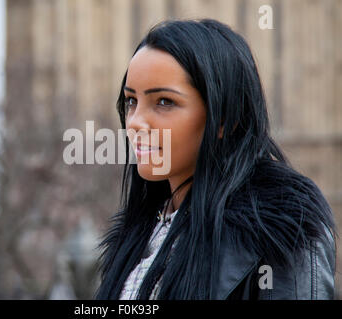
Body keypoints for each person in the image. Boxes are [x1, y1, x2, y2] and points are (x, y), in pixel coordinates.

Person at [94, 18, 338, 300]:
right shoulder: (137, 236)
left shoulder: (281, 233)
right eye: (131, 101)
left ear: (224, 118)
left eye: (164, 102)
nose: (135, 122)